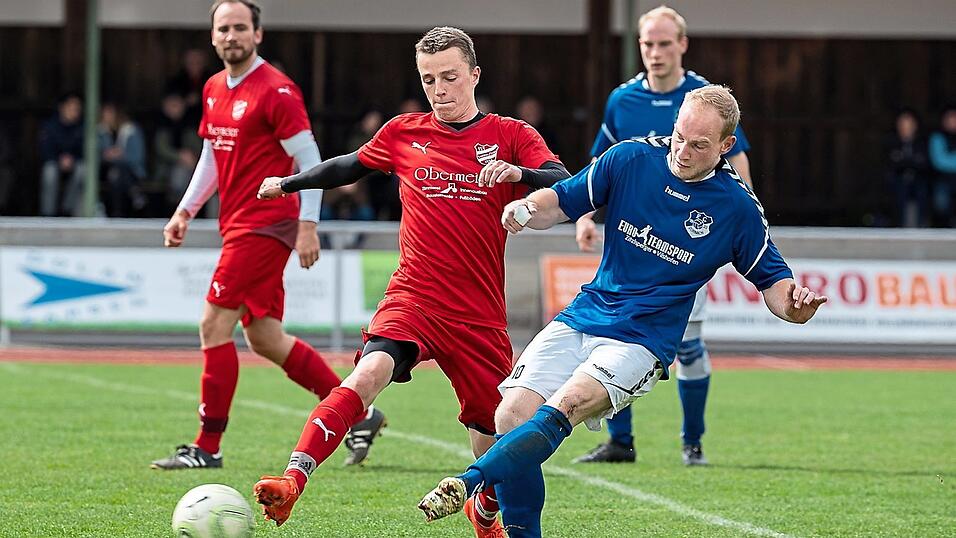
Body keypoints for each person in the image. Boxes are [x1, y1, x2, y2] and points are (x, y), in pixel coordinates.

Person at [418, 85, 827, 537]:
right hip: (587, 313)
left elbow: (773, 283)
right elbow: (563, 200)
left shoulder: (737, 207)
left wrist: (794, 307)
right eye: (679, 136)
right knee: (509, 416)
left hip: (643, 340)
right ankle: (489, 501)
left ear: (726, 146)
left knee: (567, 404)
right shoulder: (631, 158)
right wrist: (526, 206)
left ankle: (470, 481)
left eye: (698, 145)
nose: (682, 151)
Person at [251, 26, 569, 537]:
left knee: (495, 437)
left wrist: (517, 175)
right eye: (428, 80)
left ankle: (483, 508)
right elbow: (348, 166)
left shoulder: (511, 136)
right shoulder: (404, 132)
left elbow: (565, 182)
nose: (439, 89)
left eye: (449, 77)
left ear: (473, 75)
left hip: (477, 315)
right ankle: (293, 480)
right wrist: (289, 182)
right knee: (367, 373)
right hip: (414, 297)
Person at [151, 0, 385, 471]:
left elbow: (309, 159)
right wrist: (184, 211)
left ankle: (207, 447)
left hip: (264, 226)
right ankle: (359, 414)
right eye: (224, 28)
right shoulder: (215, 87)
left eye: (241, 27)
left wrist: (308, 224)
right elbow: (212, 156)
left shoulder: (277, 90)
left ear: (258, 34)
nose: (232, 35)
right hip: (237, 224)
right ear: (213, 36)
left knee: (212, 325)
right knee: (264, 337)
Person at [573, 5, 753, 466]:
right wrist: (586, 214)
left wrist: (746, 223)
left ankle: (692, 442)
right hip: (631, 245)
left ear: (682, 45)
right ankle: (620, 442)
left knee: (688, 344)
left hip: (687, 248)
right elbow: (602, 166)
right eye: (647, 44)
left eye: (664, 43)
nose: (655, 52)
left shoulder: (704, 101)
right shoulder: (622, 100)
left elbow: (739, 166)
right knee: (613, 338)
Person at [38, 92, 85, 216]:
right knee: (49, 172)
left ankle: (67, 209)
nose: (75, 111)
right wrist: (59, 159)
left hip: (75, 164)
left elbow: (87, 151)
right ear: (62, 108)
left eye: (77, 108)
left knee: (83, 169)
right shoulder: (50, 126)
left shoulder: (83, 127)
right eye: (71, 107)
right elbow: (45, 150)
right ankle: (48, 214)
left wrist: (73, 159)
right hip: (55, 162)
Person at [98, 103, 148, 217]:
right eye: (104, 113)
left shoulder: (132, 130)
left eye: (110, 113)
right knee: (115, 173)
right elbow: (96, 156)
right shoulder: (100, 131)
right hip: (105, 172)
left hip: (131, 171)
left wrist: (119, 156)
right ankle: (135, 194)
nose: (107, 117)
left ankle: (118, 212)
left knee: (117, 173)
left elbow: (136, 158)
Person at [886, 109, 931, 227]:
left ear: (915, 125)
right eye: (903, 125)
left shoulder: (922, 142)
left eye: (909, 125)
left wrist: (904, 161)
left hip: (919, 179)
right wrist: (912, 161)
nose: (906, 128)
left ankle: (922, 224)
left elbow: (925, 164)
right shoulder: (892, 141)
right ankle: (899, 224)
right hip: (898, 179)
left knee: (922, 190)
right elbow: (891, 164)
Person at [929, 105, 956, 227]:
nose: (952, 122)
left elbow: (946, 159)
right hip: (943, 179)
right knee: (941, 202)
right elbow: (939, 161)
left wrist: (949, 158)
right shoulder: (937, 137)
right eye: (949, 118)